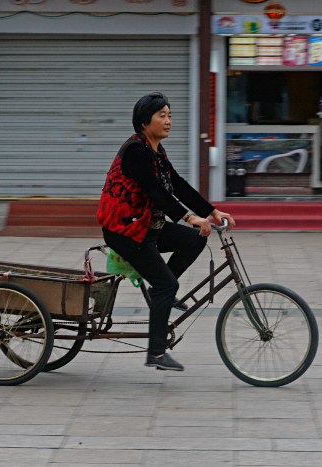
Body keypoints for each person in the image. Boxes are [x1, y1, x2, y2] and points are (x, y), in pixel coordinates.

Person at [97, 92, 235, 371]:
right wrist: (188, 216)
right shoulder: (136, 150)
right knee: (166, 285)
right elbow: (156, 193)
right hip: (125, 230)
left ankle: (163, 292)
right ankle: (156, 353)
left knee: (195, 239)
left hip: (145, 226)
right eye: (163, 115)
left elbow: (179, 185)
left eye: (170, 115)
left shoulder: (156, 151)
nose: (169, 120)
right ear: (144, 122)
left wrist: (211, 212)